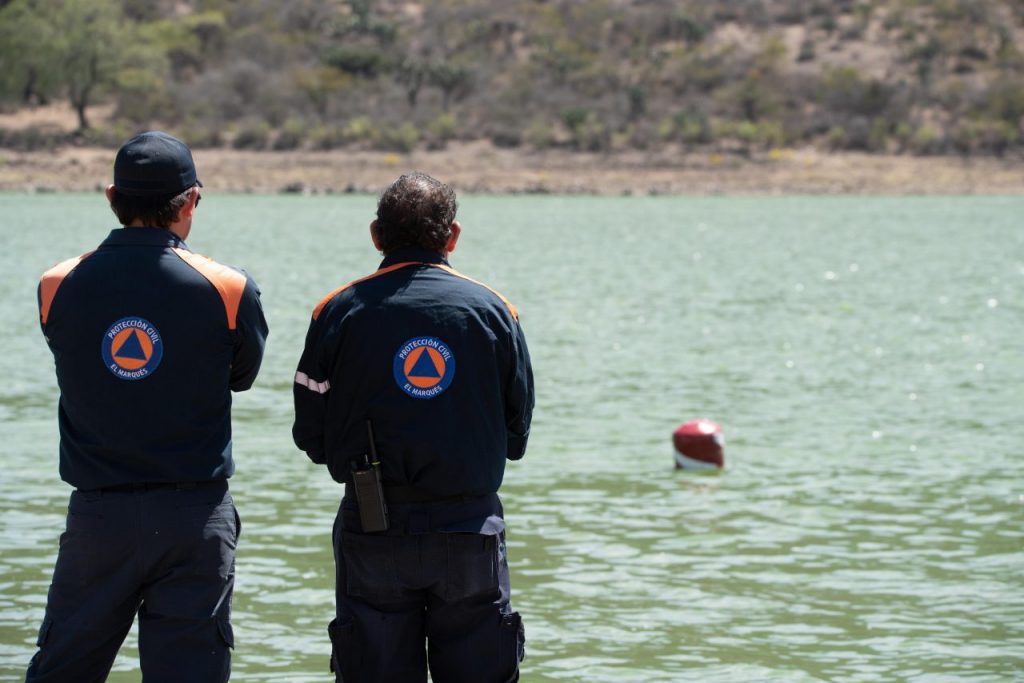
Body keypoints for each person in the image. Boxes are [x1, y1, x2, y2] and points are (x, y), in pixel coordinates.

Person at [28, 131, 268, 682]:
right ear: (190, 202)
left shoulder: (56, 284)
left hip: (97, 518)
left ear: (112, 198)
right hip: (194, 519)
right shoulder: (229, 289)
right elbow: (242, 376)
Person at [293, 172, 534, 682]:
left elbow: (311, 434)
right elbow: (517, 432)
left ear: (376, 235)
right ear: (453, 236)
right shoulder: (495, 311)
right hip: (469, 528)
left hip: (372, 526)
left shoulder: (336, 311)